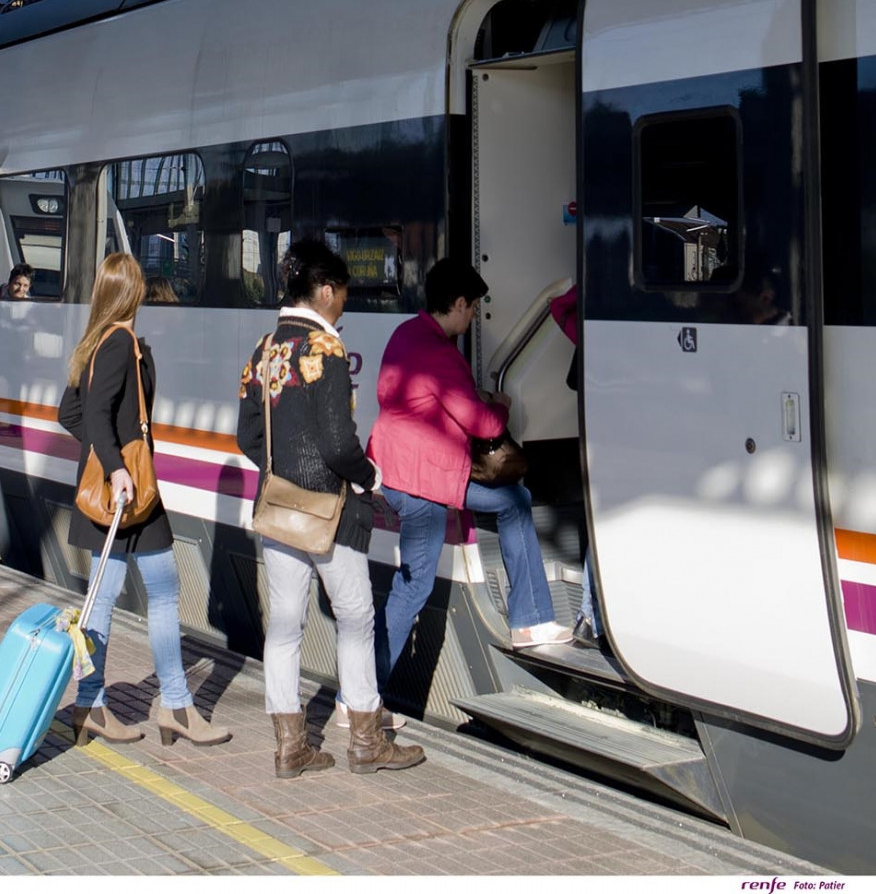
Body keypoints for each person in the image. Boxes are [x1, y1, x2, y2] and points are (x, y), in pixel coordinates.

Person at [237, 238, 425, 779]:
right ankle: (366, 742)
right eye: (342, 292)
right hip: (331, 513)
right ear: (323, 291)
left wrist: (283, 475)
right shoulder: (327, 348)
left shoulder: (265, 348)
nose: (344, 303)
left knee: (285, 624)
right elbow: (340, 444)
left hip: (280, 510)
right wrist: (370, 479)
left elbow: (247, 436)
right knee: (356, 617)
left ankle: (290, 747)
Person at [369, 257, 571, 701]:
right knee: (413, 587)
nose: (475, 315)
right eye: (474, 306)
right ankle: (362, 697)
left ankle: (531, 619)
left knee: (514, 501)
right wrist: (500, 404)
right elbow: (483, 424)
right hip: (424, 480)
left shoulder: (407, 334)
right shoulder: (439, 354)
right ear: (458, 303)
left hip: (405, 469)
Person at [57, 251, 230, 750]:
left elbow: (70, 413)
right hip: (127, 493)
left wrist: (102, 456)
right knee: (147, 593)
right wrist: (114, 466)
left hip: (126, 495)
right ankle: (158, 705)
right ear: (134, 293)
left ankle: (111, 704)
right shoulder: (120, 344)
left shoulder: (94, 343)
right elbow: (94, 415)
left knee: (124, 594)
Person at [549, 281, 602, 648]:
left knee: (601, 515)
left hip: (599, 420)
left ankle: (590, 617)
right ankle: (592, 614)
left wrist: (584, 285)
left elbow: (558, 307)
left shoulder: (593, 324)